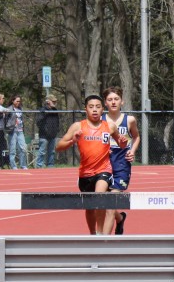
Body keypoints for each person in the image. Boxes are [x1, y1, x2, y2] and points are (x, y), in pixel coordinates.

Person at [55, 94, 128, 235]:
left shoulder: (110, 126)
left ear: (102, 110)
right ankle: (93, 234)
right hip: (85, 173)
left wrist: (122, 142)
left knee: (99, 198)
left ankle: (100, 234)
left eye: (98, 107)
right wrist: (73, 141)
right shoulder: (78, 126)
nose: (94, 110)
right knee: (89, 207)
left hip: (103, 170)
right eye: (91, 107)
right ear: (86, 109)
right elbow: (59, 146)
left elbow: (121, 143)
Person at [104, 86, 140, 235]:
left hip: (121, 163)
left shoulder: (129, 120)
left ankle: (103, 242)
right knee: (104, 203)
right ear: (105, 102)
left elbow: (136, 137)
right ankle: (120, 219)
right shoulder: (100, 121)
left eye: (116, 99)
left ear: (122, 101)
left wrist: (132, 151)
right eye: (110, 99)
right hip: (104, 163)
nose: (113, 102)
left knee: (110, 205)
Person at [35, 95, 60, 168]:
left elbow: (57, 121)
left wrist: (56, 129)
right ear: (48, 102)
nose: (55, 103)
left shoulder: (55, 110)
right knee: (42, 151)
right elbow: (38, 122)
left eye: (55, 101)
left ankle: (50, 165)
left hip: (52, 134)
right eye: (53, 101)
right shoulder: (42, 110)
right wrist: (45, 130)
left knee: (52, 151)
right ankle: (39, 165)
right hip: (44, 135)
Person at [4, 95, 28, 170]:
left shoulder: (20, 109)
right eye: (17, 101)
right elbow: (5, 120)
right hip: (12, 131)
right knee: (13, 149)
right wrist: (9, 126)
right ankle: (13, 166)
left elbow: (22, 119)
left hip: (20, 131)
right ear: (13, 101)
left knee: (23, 148)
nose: (18, 102)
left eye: (19, 101)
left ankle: (23, 165)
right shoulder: (9, 109)